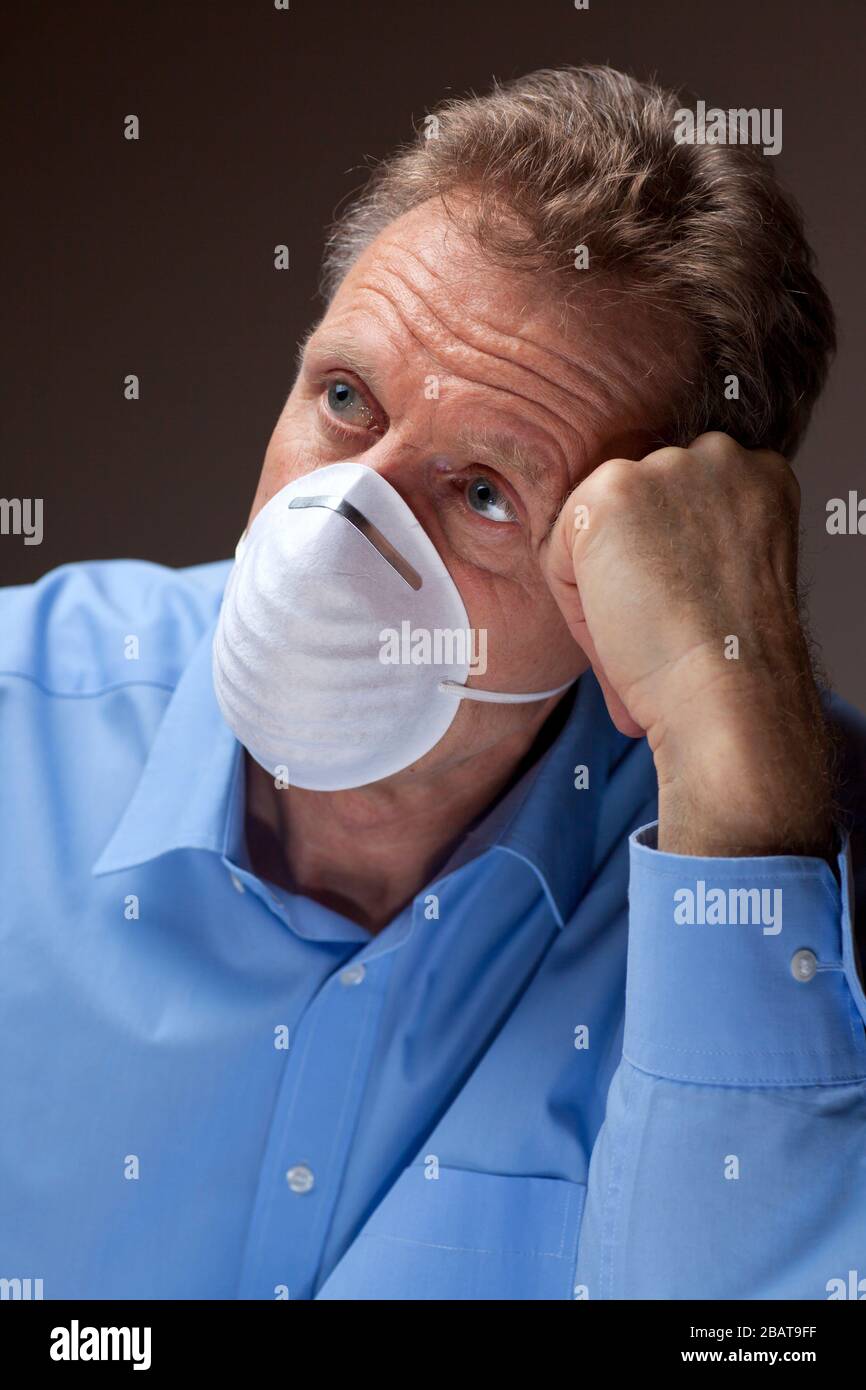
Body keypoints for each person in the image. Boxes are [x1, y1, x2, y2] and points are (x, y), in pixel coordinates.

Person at [2, 65, 864, 1301]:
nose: (348, 516)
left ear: (639, 569)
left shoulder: (803, 873)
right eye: (344, 400)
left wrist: (741, 818)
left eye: (480, 493)